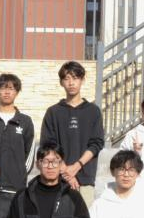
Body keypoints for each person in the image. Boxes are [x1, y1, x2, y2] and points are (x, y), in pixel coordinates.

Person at [39, 60, 104, 206]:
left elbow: (96, 143)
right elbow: (48, 145)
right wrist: (66, 173)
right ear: (61, 82)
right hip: (57, 179)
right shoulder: (53, 112)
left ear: (82, 80)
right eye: (67, 78)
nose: (71, 83)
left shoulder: (93, 111)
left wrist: (76, 166)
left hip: (85, 179)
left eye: (75, 78)